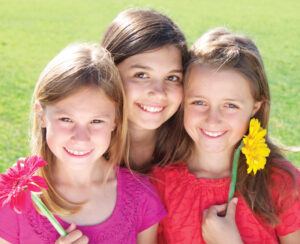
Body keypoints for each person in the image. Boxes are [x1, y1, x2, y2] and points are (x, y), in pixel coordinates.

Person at [0, 43, 166, 244]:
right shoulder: (15, 198)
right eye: (66, 119)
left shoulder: (141, 197)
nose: (81, 138)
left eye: (96, 121)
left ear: (115, 120)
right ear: (41, 115)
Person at [151, 28, 300, 244]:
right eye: (199, 102)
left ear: (255, 107)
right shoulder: (159, 183)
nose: (212, 120)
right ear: (183, 101)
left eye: (230, 105)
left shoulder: (281, 182)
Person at [101, 9, 189, 173]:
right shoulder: (80, 145)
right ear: (109, 73)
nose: (159, 93)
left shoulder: (192, 150)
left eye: (172, 78)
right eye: (141, 75)